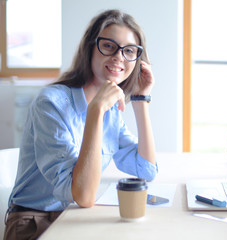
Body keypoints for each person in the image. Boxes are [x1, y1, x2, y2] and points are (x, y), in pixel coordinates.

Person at [3, 9, 157, 240]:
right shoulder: (51, 103)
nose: (119, 57)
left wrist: (140, 99)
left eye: (129, 51)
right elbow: (83, 195)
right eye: (108, 46)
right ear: (89, 48)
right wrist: (95, 110)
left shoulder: (112, 110)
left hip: (76, 218)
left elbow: (146, 169)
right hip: (35, 223)